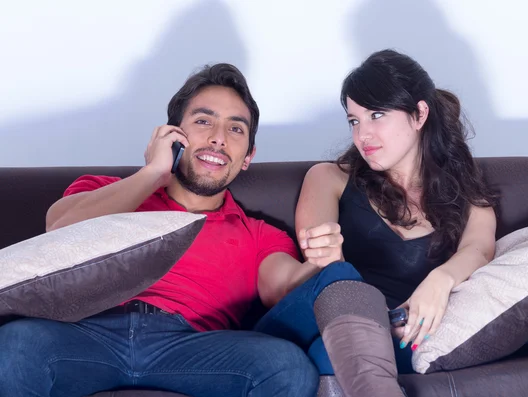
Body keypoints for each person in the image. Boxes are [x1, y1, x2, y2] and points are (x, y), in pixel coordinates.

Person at [0, 63, 344, 397]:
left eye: (235, 129)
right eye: (203, 121)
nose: (218, 139)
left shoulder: (259, 234)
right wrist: (153, 173)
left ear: (248, 155)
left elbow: (285, 286)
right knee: (17, 343)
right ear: (172, 135)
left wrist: (321, 261)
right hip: (86, 336)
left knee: (287, 366)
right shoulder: (106, 190)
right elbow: (59, 230)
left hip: (194, 349)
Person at [253, 49, 498, 397]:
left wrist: (439, 280)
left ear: (419, 114)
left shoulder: (468, 196)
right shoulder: (329, 178)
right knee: (340, 279)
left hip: (387, 341)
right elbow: (322, 272)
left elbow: (480, 249)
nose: (362, 134)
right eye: (354, 120)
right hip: (314, 316)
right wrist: (331, 261)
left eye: (376, 115)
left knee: (335, 354)